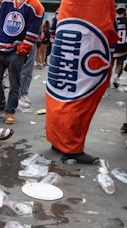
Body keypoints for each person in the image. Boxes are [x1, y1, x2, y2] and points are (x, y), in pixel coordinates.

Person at [45, 0, 118, 164]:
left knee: (61, 89)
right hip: (90, 27)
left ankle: (59, 140)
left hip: (72, 25)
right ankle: (71, 148)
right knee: (81, 93)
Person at [0, 0, 44, 124]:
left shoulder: (36, 6)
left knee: (14, 82)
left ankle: (10, 111)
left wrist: (23, 48)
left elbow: (33, 30)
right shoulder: (6, 2)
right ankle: (0, 105)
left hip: (15, 51)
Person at [112, 4, 127, 88]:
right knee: (119, 63)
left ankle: (107, 82)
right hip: (123, 46)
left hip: (114, 45)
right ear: (125, 12)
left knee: (110, 64)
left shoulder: (113, 21)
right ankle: (115, 78)